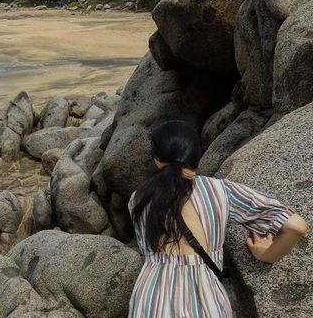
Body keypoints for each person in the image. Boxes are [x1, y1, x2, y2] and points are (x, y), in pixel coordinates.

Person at [127, 120, 307, 318]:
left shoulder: (138, 199)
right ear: (197, 156)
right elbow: (296, 227)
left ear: (157, 159)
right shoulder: (222, 191)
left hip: (150, 300)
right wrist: (267, 254)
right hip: (205, 301)